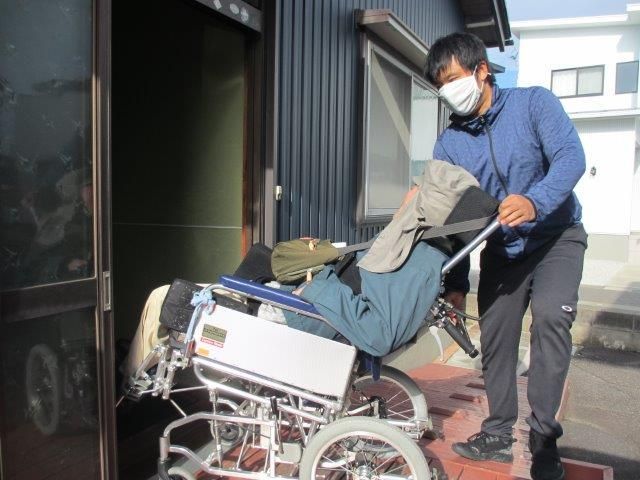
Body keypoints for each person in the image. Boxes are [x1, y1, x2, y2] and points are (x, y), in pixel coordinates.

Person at [425, 33, 587, 480]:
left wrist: (535, 201)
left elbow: (570, 158)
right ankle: (497, 434)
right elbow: (452, 218)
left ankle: (544, 438)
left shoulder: (533, 104)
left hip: (557, 238)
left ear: (481, 71)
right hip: (502, 248)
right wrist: (456, 284)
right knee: (496, 335)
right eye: (440, 86)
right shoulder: (450, 144)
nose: (448, 92)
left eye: (453, 79)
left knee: (551, 320)